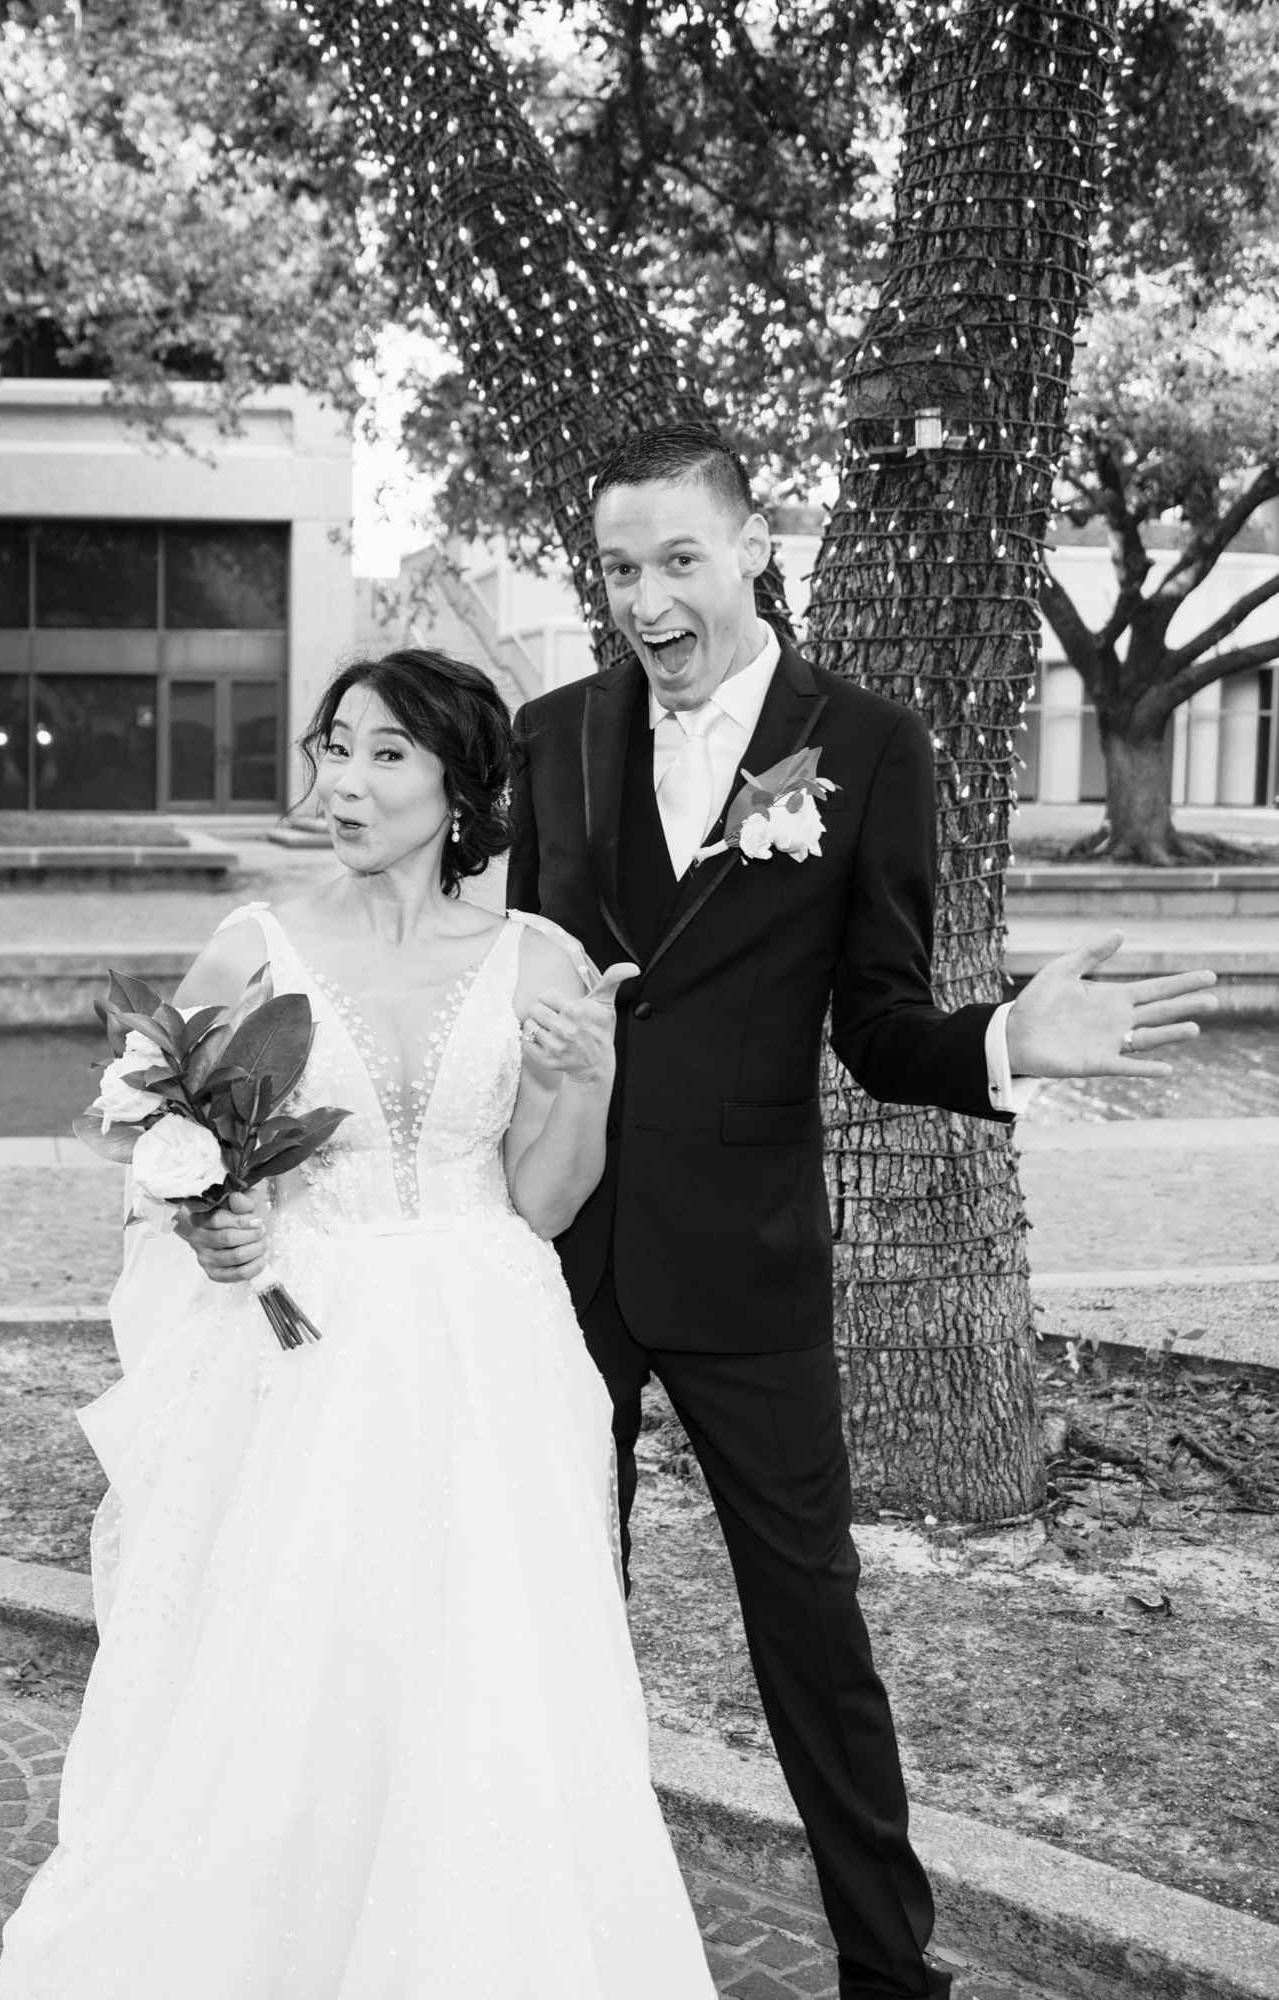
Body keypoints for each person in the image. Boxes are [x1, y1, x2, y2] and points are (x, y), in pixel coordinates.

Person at [500, 423, 1218, 1999]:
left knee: (812, 1640)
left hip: (748, 1270)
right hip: (555, 1254)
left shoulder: (871, 746)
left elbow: (883, 1022)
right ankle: (561, 1945)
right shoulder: (549, 739)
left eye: (678, 559)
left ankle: (895, 1977)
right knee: (547, 1615)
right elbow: (511, 997)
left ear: (758, 546)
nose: (645, 598)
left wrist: (1007, 1041)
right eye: (620, 568)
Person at [0, 649, 716, 2000]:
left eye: (387, 754)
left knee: (478, 1675)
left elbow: (546, 1204)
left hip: (485, 1359)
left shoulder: (538, 956)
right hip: (298, 1351)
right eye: (335, 747)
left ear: (460, 786)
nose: (346, 780)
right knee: (290, 1671)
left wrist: (594, 1074)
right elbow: (163, 1155)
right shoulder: (251, 948)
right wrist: (217, 1225)